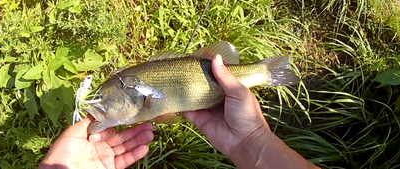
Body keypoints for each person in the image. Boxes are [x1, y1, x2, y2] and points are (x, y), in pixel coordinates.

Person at [39, 55, 319, 169]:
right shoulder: (136, 106)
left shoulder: (140, 100)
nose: (99, 106)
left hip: (217, 92)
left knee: (262, 73)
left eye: (102, 99)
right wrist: (253, 142)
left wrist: (253, 140)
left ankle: (266, 71)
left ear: (130, 96)